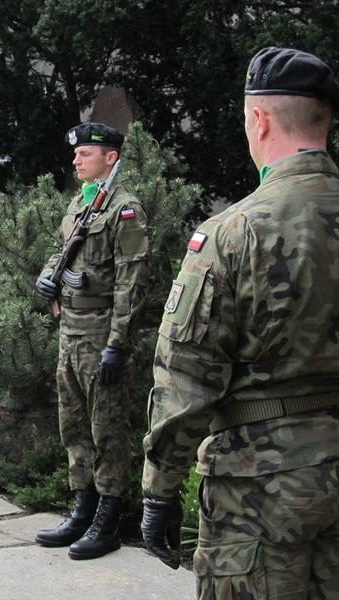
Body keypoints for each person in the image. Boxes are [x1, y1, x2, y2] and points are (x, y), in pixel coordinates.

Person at [141, 47, 339, 599]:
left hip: (260, 488)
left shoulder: (234, 233)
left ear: (259, 119)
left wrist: (159, 490)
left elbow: (185, 374)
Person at [34, 123, 149, 560]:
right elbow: (60, 253)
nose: (76, 161)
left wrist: (117, 343)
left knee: (107, 429)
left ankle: (108, 519)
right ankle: (82, 507)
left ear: (110, 158)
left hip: (101, 333)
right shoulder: (81, 205)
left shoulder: (125, 210)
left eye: (86, 154)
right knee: (74, 425)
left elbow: (132, 281)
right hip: (71, 332)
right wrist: (48, 284)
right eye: (77, 154)